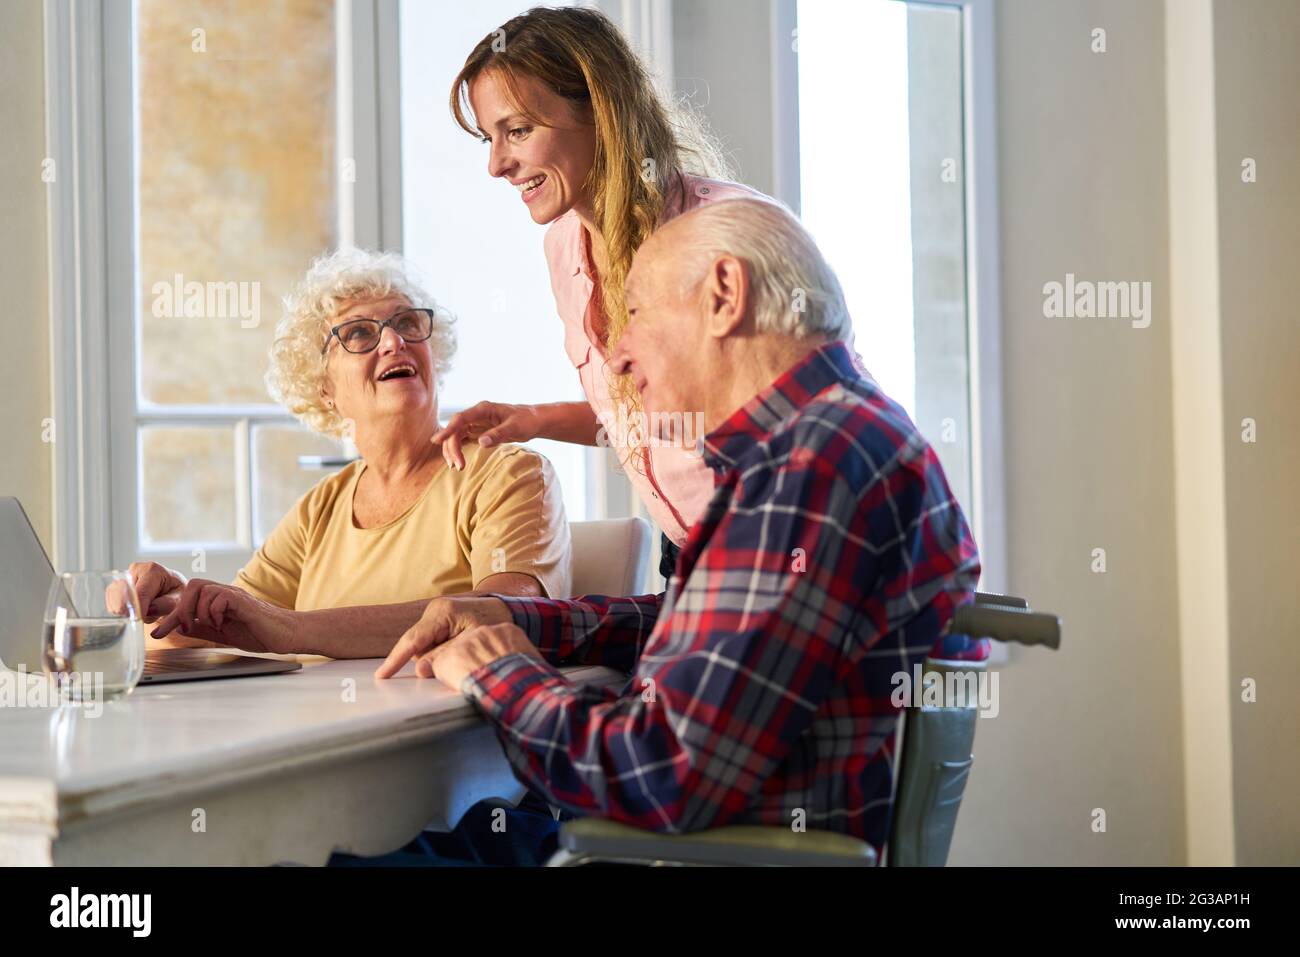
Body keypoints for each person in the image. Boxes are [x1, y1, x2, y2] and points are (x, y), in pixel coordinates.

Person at [375, 198, 987, 859]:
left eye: (633, 312)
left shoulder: (813, 463)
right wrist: (520, 622)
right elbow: (715, 630)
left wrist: (502, 672)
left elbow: (660, 776)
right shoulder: (844, 437)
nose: (616, 358)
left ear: (724, 295)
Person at [431, 6, 761, 581]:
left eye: (518, 130)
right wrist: (533, 417)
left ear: (601, 111)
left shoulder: (729, 233)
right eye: (490, 137)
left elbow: (801, 428)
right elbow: (656, 420)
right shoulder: (564, 246)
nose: (496, 164)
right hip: (689, 558)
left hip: (775, 552)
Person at [122, 248, 570, 656]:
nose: (394, 342)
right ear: (325, 389)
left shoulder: (508, 474)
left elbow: (511, 613)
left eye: (408, 323)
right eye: (359, 333)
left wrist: (290, 629)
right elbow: (230, 626)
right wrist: (173, 600)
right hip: (318, 728)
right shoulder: (319, 508)